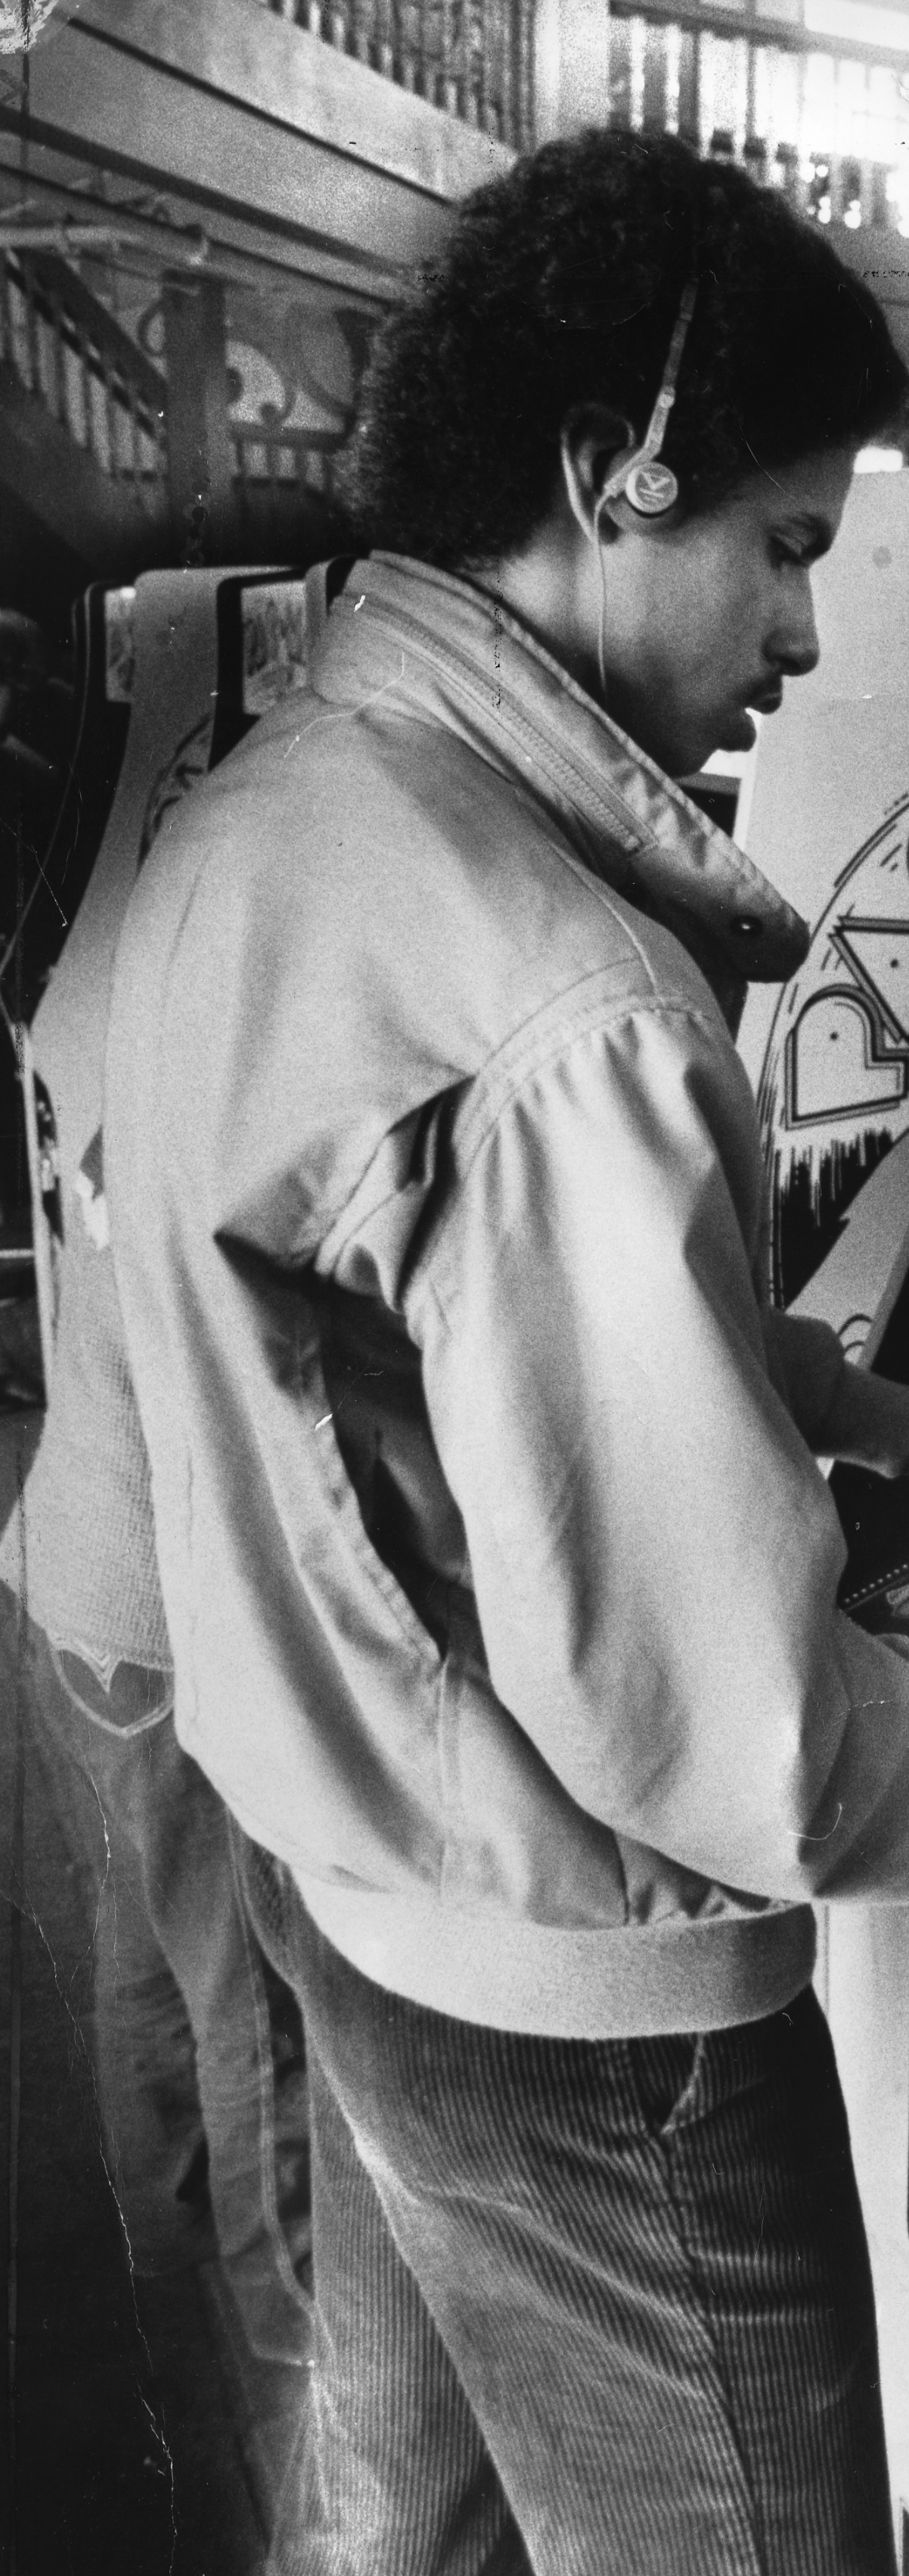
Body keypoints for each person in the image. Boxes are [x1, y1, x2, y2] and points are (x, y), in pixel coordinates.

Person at [103, 130, 909, 2576]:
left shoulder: (273, 815)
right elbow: (729, 1738)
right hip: (582, 2024)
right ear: (625, 479)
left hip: (354, 1875)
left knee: (402, 2513)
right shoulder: (563, 990)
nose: (808, 638)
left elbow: (433, 1354)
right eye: (794, 543)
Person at [1, 598, 314, 2382]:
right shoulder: (215, 1038)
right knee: (245, 2004)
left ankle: (150, 2275)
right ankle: (290, 2361)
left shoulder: (93, 970)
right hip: (155, 1608)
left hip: (61, 1567)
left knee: (140, 1954)